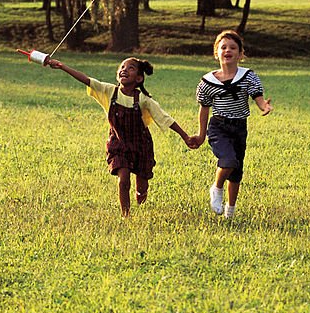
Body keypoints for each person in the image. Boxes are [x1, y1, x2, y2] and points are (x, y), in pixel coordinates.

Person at [47, 56, 196, 217]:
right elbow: (87, 80)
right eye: (122, 67)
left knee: (142, 184)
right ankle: (126, 215)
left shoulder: (144, 100)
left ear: (139, 78)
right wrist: (62, 66)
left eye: (130, 68)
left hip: (141, 146)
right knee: (123, 179)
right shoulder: (109, 91)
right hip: (118, 143)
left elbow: (165, 119)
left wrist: (185, 137)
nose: (124, 69)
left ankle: (141, 193)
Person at [189, 30, 273, 218]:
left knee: (236, 169)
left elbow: (257, 97)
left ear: (241, 54)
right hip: (219, 126)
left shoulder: (249, 76)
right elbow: (204, 109)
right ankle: (216, 189)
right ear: (216, 52)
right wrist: (202, 135)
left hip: (239, 127)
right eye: (223, 47)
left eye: (233, 48)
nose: (228, 50)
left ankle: (230, 210)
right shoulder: (207, 82)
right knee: (228, 162)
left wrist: (264, 106)